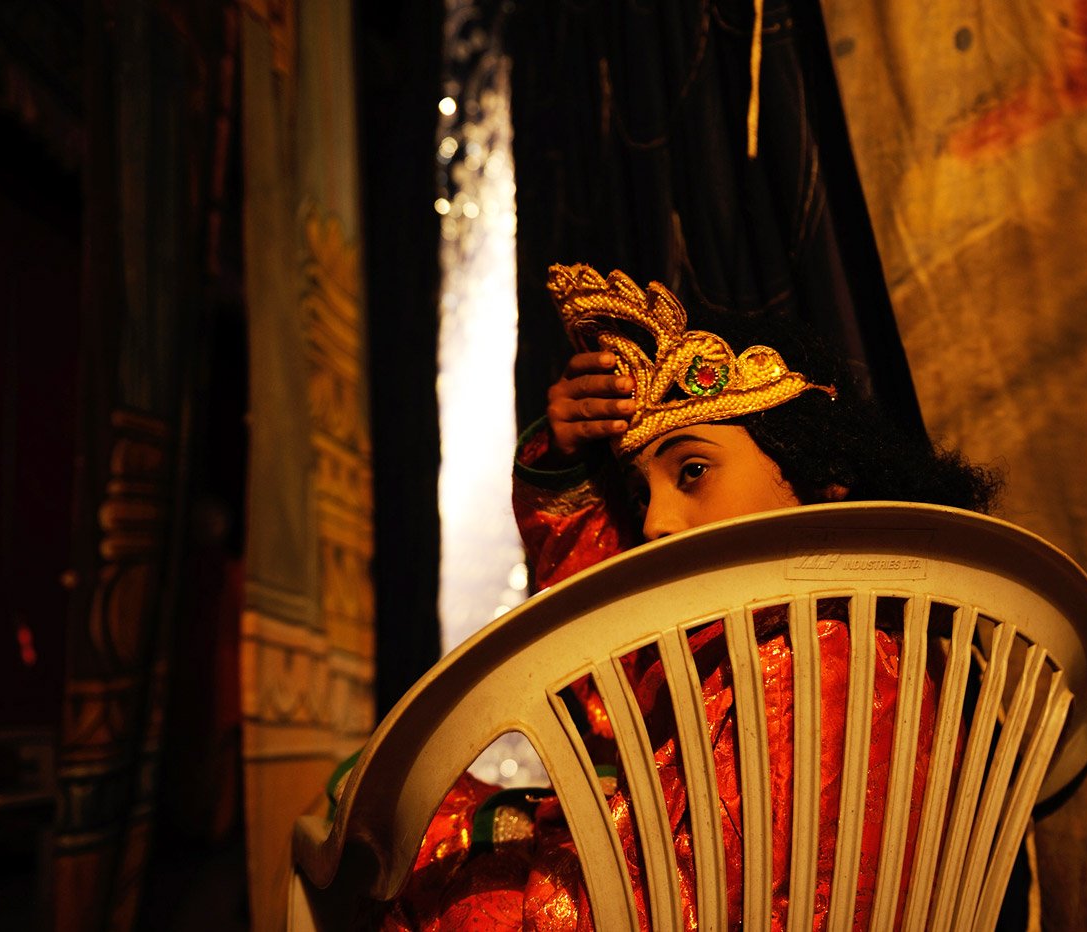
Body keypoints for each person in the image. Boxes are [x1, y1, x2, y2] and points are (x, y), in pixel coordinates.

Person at [375, 265, 1003, 930]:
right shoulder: (787, 632)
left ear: (826, 479)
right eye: (644, 493)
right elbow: (609, 669)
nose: (653, 525)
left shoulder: (810, 659)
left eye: (693, 471)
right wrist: (564, 459)